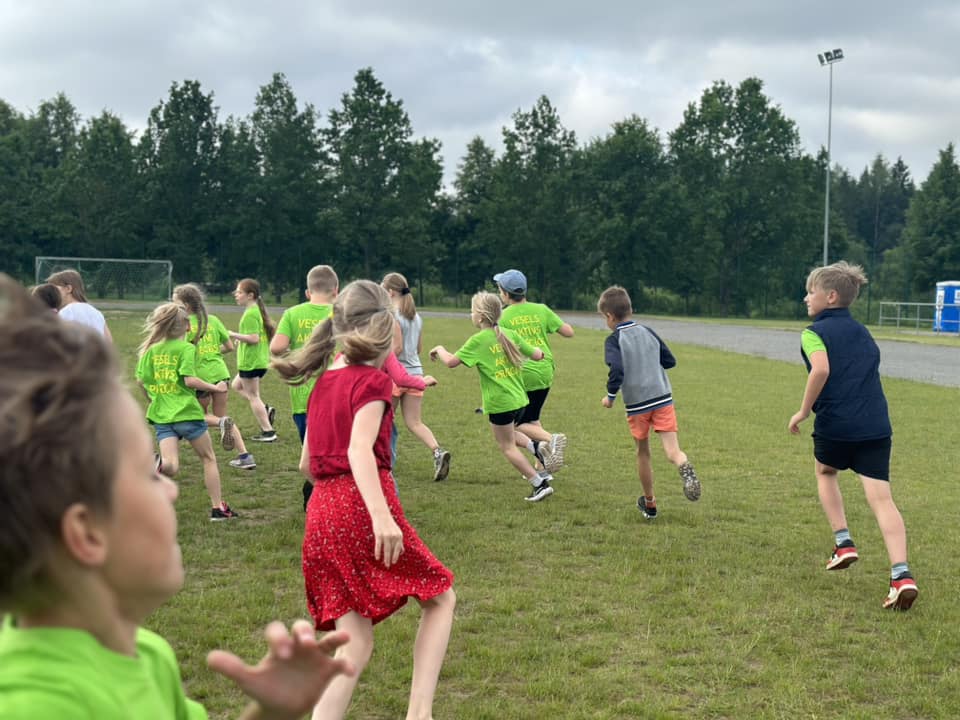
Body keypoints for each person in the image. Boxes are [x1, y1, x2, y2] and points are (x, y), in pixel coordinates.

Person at [0, 274, 356, 720]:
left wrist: (268, 712)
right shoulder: (36, 705)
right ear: (86, 534)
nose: (169, 485)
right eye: (144, 477)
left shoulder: (145, 651)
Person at [273, 280, 455, 720]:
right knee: (440, 597)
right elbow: (359, 451)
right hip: (361, 508)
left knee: (354, 643)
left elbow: (306, 465)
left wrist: (337, 496)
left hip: (321, 513)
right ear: (385, 329)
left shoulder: (322, 383)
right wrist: (381, 517)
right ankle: (419, 713)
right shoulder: (373, 383)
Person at [788, 261, 917, 611]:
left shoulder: (813, 332)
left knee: (825, 472)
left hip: (837, 424)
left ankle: (843, 542)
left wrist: (803, 411)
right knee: (882, 499)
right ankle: (901, 575)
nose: (806, 298)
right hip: (876, 425)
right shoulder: (863, 332)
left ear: (830, 296)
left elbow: (821, 369)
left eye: (811, 291)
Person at [430, 291, 553, 502]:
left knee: (507, 446)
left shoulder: (478, 340)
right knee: (510, 434)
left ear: (480, 317)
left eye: (472, 311)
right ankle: (537, 448)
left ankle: (539, 484)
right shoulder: (508, 333)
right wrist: (540, 352)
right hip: (520, 399)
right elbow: (536, 354)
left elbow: (450, 362)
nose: (471, 314)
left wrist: (439, 348)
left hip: (500, 403)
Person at [597, 285, 701, 519]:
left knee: (642, 452)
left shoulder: (614, 340)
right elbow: (669, 361)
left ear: (609, 316)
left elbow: (617, 370)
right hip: (662, 398)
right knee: (673, 451)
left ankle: (650, 503)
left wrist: (610, 397)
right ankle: (683, 464)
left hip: (638, 405)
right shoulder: (648, 331)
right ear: (631, 310)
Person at [135, 302, 238, 521]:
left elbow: (141, 381)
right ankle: (217, 509)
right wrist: (215, 388)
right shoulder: (187, 349)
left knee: (170, 465)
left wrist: (153, 399)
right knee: (208, 458)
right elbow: (190, 380)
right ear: (188, 326)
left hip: (162, 415)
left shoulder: (152, 350)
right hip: (186, 413)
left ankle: (156, 464)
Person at [494, 268, 574, 474]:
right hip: (545, 371)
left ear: (505, 293)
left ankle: (551, 439)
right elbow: (568, 332)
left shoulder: (502, 316)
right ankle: (542, 465)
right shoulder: (541, 309)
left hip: (522, 375)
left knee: (516, 425)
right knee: (532, 418)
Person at [271, 266, 337, 508]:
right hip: (335, 392)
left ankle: (315, 494)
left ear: (308, 291)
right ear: (336, 290)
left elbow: (276, 348)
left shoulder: (292, 313)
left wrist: (297, 351)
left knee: (309, 451)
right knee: (334, 450)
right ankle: (325, 495)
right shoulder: (341, 313)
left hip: (302, 395)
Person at [173, 283, 256, 470]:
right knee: (221, 416)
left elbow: (179, 352)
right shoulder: (214, 320)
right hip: (220, 374)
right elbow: (229, 347)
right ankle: (245, 456)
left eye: (175, 302)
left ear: (186, 306)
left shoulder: (182, 324)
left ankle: (174, 452)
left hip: (199, 378)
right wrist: (211, 353)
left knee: (198, 416)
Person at [382, 272, 451, 481]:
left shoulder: (392, 315)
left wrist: (380, 360)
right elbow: (418, 348)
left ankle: (384, 462)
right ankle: (437, 452)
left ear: (390, 292)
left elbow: (397, 348)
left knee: (385, 421)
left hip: (396, 375)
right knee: (415, 423)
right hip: (416, 374)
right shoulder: (416, 317)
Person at [230, 278, 278, 443]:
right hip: (257, 360)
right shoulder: (255, 310)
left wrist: (232, 334)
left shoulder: (250, 313)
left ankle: (268, 431)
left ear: (250, 295)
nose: (236, 295)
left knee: (253, 396)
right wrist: (241, 339)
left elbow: (254, 338)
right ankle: (265, 410)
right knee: (236, 385)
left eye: (239, 292)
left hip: (251, 362)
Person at [46, 268, 112, 340]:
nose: (50, 293)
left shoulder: (67, 312)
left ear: (68, 289)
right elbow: (108, 341)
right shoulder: (97, 313)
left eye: (54, 289)